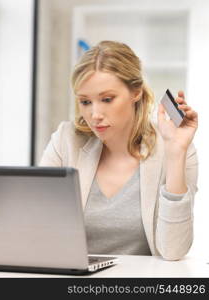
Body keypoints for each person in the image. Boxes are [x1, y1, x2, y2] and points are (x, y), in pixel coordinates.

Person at [39, 40, 198, 261]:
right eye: (85, 102)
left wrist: (176, 151)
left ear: (136, 93)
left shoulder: (174, 147)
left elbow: (173, 251)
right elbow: (39, 228)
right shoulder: (66, 140)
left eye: (107, 99)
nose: (95, 114)